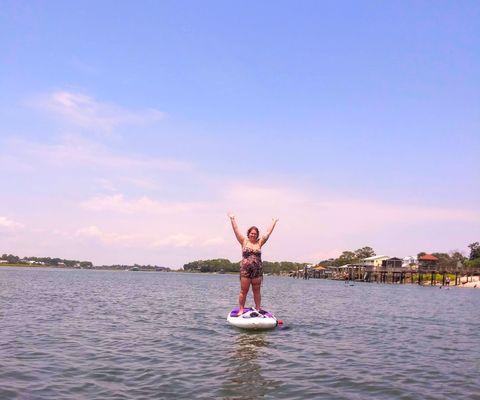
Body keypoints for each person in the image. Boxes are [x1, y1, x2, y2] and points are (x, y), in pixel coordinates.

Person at [228, 214, 278, 316]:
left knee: (257, 291)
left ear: (257, 235)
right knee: (243, 291)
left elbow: (268, 233)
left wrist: (274, 222)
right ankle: (241, 309)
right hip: (245, 270)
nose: (253, 235)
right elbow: (236, 230)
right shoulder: (243, 241)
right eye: (251, 233)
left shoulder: (260, 243)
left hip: (257, 271)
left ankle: (258, 308)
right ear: (248, 234)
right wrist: (232, 219)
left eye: (255, 234)